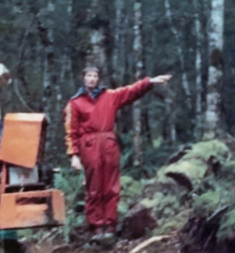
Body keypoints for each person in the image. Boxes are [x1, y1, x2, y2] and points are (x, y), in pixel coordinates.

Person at [64, 66, 171, 243]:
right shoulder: (75, 103)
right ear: (83, 78)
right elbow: (70, 131)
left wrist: (150, 82)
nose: (92, 79)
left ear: (98, 79)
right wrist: (73, 155)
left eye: (95, 76)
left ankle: (110, 226)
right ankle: (97, 227)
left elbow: (131, 91)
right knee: (94, 187)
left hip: (108, 143)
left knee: (111, 185)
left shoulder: (109, 96)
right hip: (89, 145)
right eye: (89, 76)